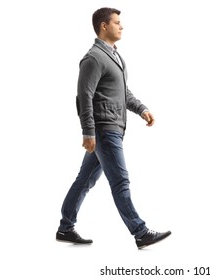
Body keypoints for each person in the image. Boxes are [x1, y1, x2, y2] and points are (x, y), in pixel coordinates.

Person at [56, 7, 171, 249]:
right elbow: (84, 97)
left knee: (84, 180)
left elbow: (122, 92)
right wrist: (88, 131)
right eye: (117, 22)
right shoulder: (94, 58)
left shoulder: (115, 57)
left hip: (114, 127)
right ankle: (140, 232)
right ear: (103, 26)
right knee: (120, 181)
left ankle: (65, 227)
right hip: (104, 129)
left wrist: (141, 109)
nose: (122, 26)